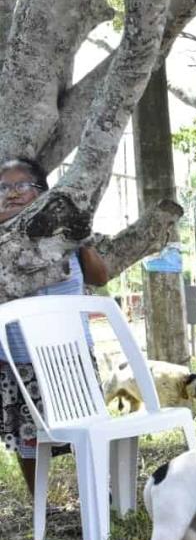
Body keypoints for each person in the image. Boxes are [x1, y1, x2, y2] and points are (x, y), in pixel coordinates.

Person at [0, 157, 109, 495]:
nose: (12, 193)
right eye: (4, 187)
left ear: (42, 193)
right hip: (16, 357)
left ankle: (96, 493)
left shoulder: (62, 235)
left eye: (22, 185)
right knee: (28, 437)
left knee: (83, 426)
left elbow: (100, 277)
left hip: (69, 355)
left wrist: (82, 239)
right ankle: (40, 502)